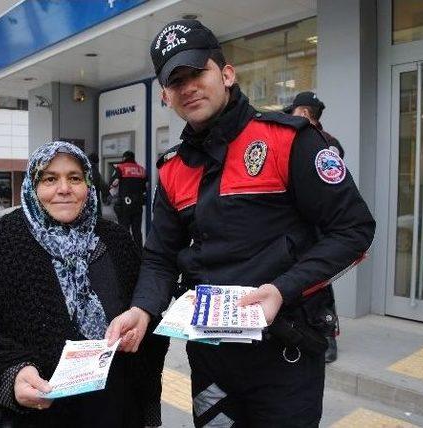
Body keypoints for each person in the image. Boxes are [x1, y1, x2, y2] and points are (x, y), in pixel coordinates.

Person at [106, 19, 375, 427]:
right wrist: (143, 309)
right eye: (176, 81)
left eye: (197, 72)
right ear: (165, 95)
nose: (188, 86)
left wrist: (283, 290)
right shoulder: (173, 169)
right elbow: (160, 256)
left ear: (227, 74)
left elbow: (354, 231)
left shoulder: (289, 140)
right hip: (211, 361)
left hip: (286, 354)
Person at [0, 141, 168, 427]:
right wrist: (11, 377)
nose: (64, 188)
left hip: (114, 410)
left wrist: (141, 327)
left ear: (88, 185)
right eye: (50, 178)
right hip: (37, 416)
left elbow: (144, 318)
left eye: (74, 178)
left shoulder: (116, 242)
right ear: (33, 185)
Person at [285, 91, 342, 363]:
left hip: (317, 225)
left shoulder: (325, 144)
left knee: (320, 280)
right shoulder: (300, 139)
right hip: (298, 223)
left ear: (305, 114)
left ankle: (328, 333)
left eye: (294, 112)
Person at [109, 150, 147, 248]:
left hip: (124, 205)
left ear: (124, 158)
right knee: (137, 231)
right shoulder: (141, 170)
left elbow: (113, 183)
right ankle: (139, 253)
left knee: (124, 230)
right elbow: (145, 187)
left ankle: (126, 252)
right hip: (138, 204)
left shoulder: (120, 168)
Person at [88, 152, 106, 217]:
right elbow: (102, 184)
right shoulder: (93, 169)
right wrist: (106, 195)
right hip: (93, 198)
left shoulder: (83, 166)